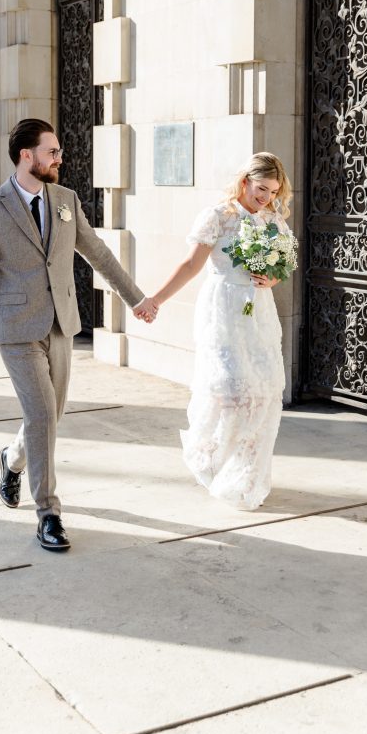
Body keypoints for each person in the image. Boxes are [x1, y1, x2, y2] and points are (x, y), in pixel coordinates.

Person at [0, 118, 156, 551]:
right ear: (26, 156)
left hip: (61, 324)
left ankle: (11, 461)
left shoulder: (65, 200)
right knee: (40, 416)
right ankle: (48, 513)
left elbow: (99, 254)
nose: (59, 159)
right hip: (17, 330)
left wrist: (135, 298)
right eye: (52, 152)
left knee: (52, 415)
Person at [146, 153, 292, 510]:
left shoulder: (272, 220)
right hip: (224, 310)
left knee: (266, 389)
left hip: (258, 311)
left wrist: (273, 276)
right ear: (245, 181)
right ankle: (213, 459)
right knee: (230, 389)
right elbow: (190, 264)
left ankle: (248, 475)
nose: (266, 198)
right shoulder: (218, 217)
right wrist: (156, 300)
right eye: (261, 189)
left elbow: (284, 265)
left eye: (273, 192)